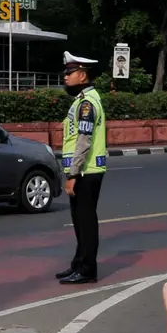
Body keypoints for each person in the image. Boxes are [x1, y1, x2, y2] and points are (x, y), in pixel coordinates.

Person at [56, 51, 107, 285]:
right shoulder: (82, 101)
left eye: (70, 73)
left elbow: (84, 140)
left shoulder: (87, 104)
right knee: (79, 220)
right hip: (83, 171)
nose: (65, 77)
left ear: (83, 75)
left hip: (86, 172)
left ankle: (87, 269)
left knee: (85, 222)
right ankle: (78, 263)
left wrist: (73, 173)